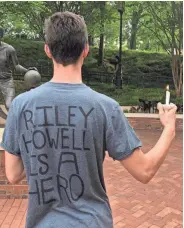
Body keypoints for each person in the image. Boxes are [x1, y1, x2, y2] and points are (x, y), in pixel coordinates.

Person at [0, 12, 177, 228]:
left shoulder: (21, 105)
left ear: (47, 50)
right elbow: (145, 171)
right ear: (86, 49)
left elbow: (13, 174)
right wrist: (169, 128)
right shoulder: (105, 107)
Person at [0, 27, 37, 119]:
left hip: (6, 80)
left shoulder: (9, 49)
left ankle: (19, 119)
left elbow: (16, 66)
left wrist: (27, 70)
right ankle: (8, 119)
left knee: (9, 105)